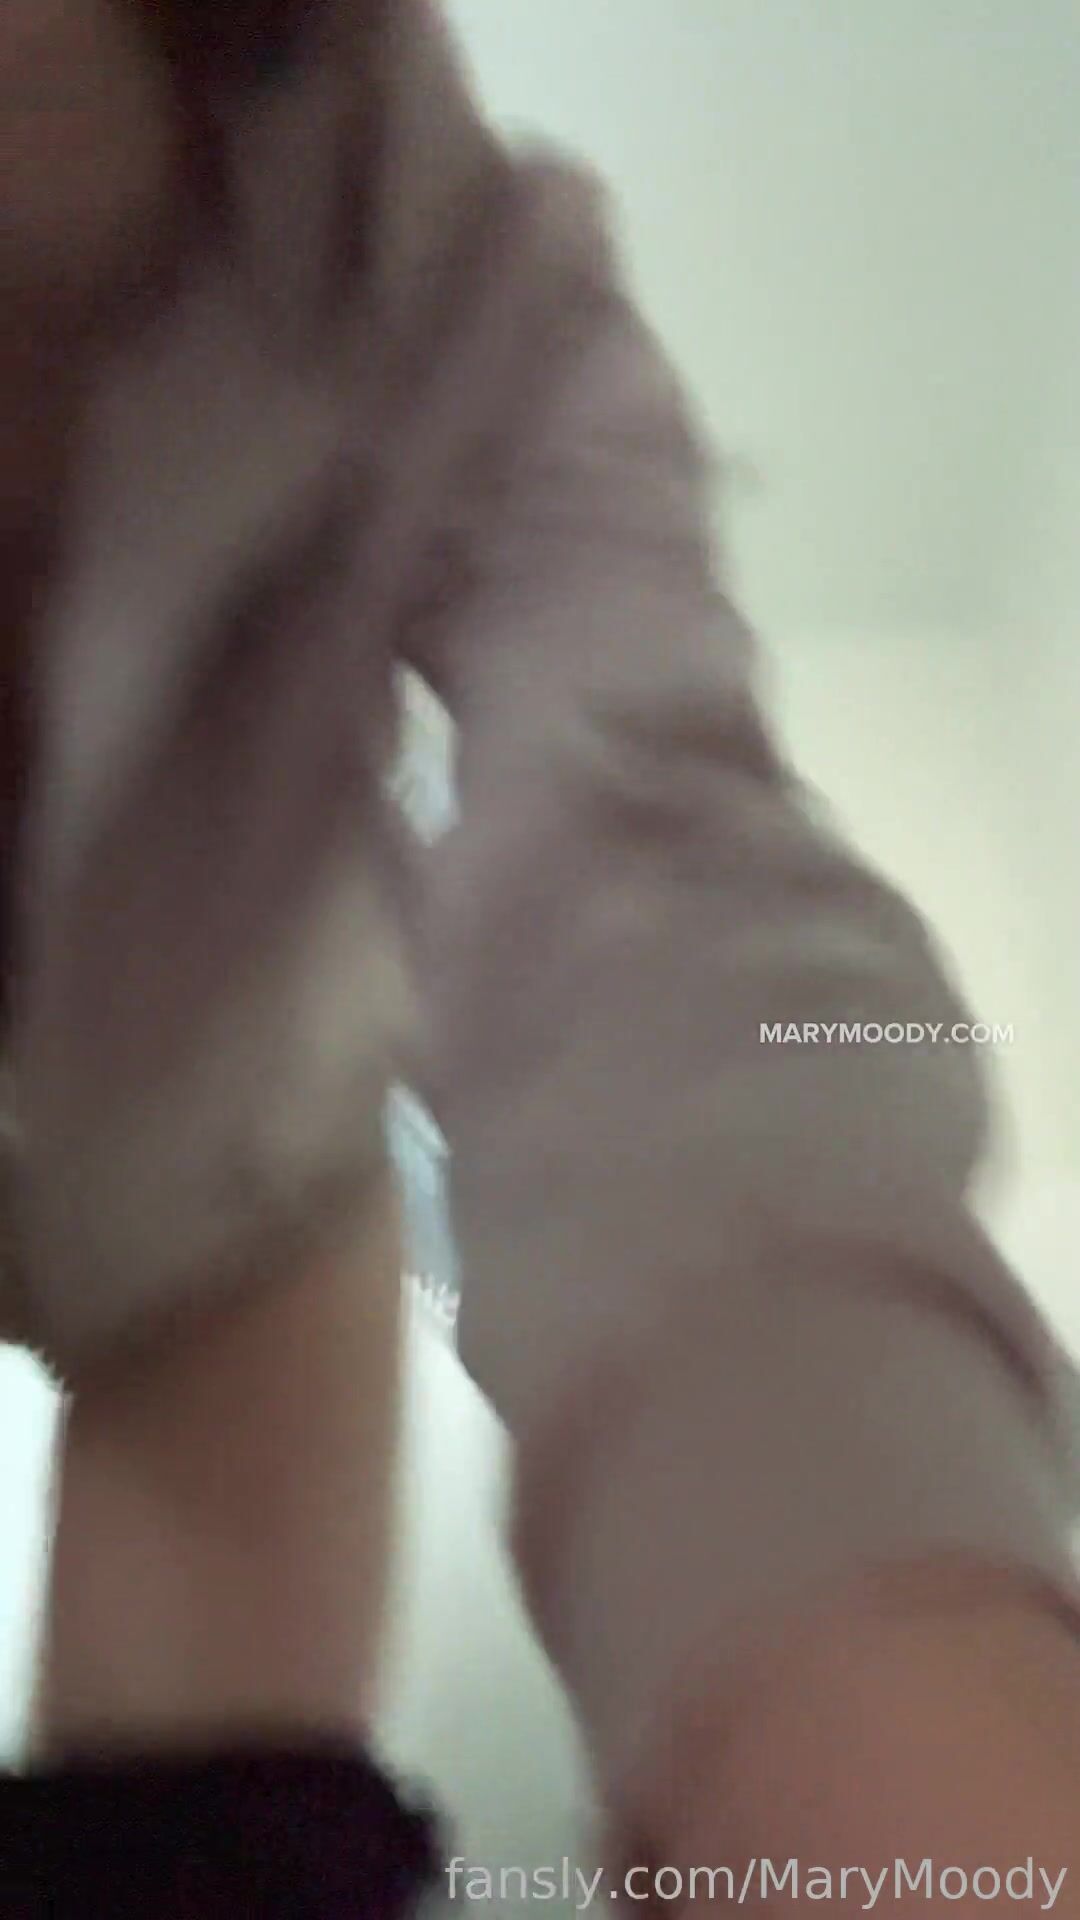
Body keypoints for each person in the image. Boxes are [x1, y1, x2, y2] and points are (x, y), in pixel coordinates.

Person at [1, 0, 1078, 1912]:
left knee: (208, 1858)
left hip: (222, 1216)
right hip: (234, 1209)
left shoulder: (465, 289)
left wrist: (866, 1641)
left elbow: (657, 892)